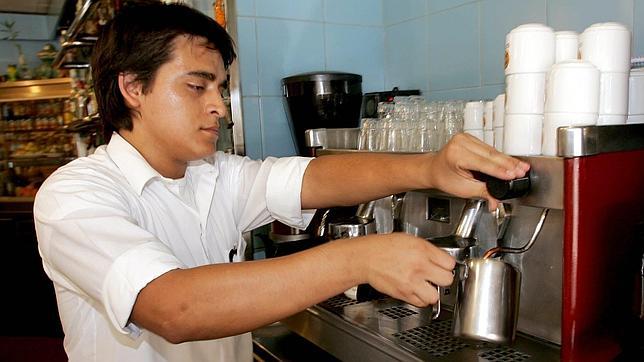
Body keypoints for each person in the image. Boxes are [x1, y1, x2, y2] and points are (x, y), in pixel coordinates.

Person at [33, 2, 530, 361]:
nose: (219, 107)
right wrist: (359, 258)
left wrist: (428, 168)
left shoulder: (214, 175)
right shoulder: (75, 195)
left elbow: (311, 178)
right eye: (196, 86)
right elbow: (172, 307)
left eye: (221, 88)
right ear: (133, 87)